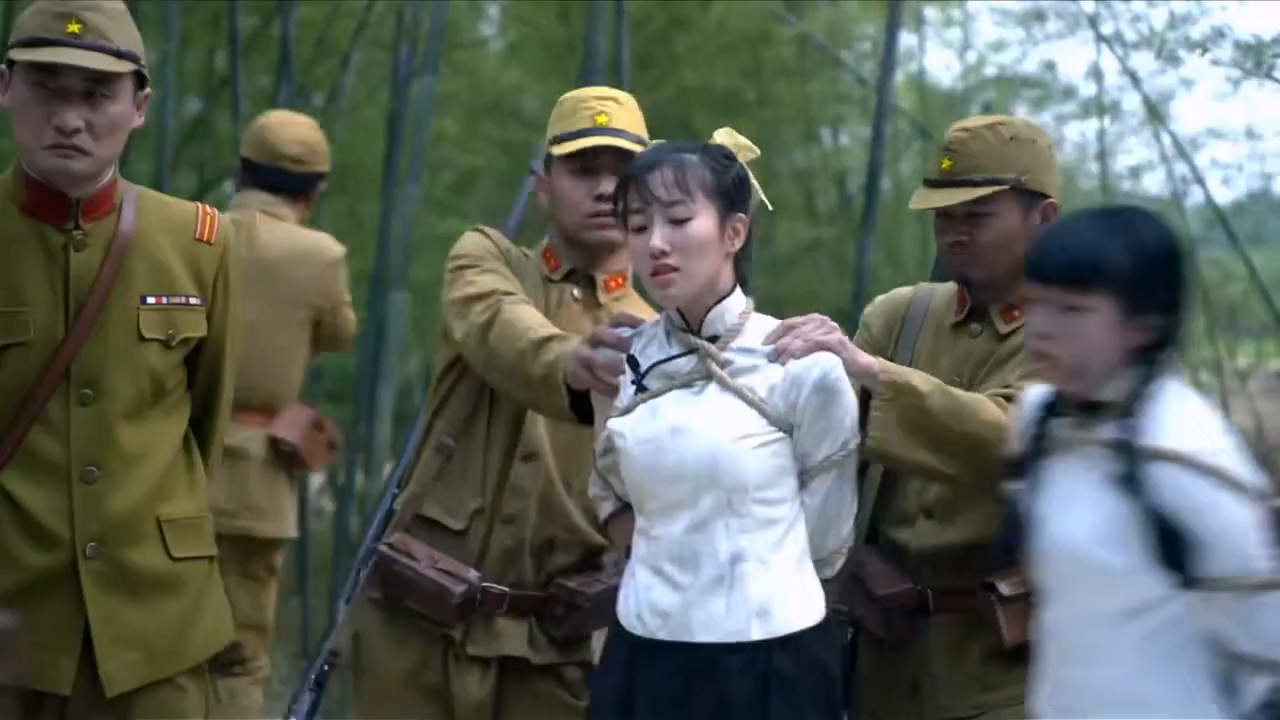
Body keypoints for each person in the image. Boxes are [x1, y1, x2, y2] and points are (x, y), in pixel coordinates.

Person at [348, 86, 657, 720]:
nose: (605, 189)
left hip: (551, 654)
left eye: (622, 173)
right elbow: (499, 327)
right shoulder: (487, 260)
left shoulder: (660, 334)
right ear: (543, 184)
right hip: (419, 628)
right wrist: (572, 364)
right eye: (583, 169)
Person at [765, 114, 1061, 720]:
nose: (954, 233)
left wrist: (872, 372)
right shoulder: (900, 317)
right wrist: (851, 559)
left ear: (1045, 217)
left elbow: (1010, 434)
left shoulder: (1070, 329)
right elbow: (825, 452)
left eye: (977, 216)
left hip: (1004, 668)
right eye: (943, 217)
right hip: (884, 656)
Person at [0, 0, 237, 717]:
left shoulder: (198, 242)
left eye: (97, 94)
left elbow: (204, 423)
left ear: (139, 107)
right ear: (6, 87)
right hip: (12, 619)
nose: (70, 118)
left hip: (155, 628)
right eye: (47, 88)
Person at [586, 129, 858, 720]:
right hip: (644, 652)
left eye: (679, 220)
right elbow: (610, 488)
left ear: (734, 232)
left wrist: (750, 587)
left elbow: (826, 539)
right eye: (639, 226)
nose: (656, 243)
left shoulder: (800, 365)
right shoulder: (625, 362)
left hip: (772, 659)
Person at [1010, 205, 1280, 719]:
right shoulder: (1037, 419)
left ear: (1142, 325)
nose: (1040, 327)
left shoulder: (1184, 450)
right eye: (1034, 303)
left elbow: (1265, 636)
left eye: (1071, 310)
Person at [206, 108, 357, 719]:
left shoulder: (189, 233)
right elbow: (340, 333)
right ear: (314, 193)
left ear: (241, 172)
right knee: (237, 658)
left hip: (164, 464)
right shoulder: (320, 256)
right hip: (253, 485)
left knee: (147, 646)